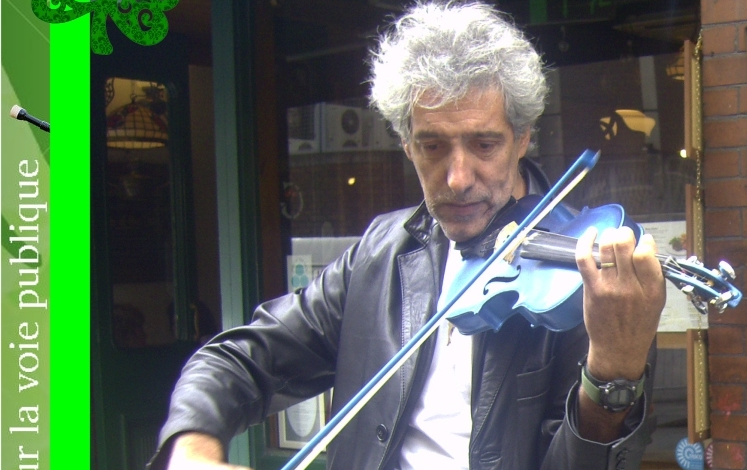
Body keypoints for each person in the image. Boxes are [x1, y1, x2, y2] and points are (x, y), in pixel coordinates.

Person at [151, 3, 667, 469]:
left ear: (522, 137)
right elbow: (238, 359)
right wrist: (192, 447)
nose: (458, 177)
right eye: (433, 146)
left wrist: (612, 375)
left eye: (483, 144)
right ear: (406, 144)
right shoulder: (381, 252)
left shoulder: (586, 277)